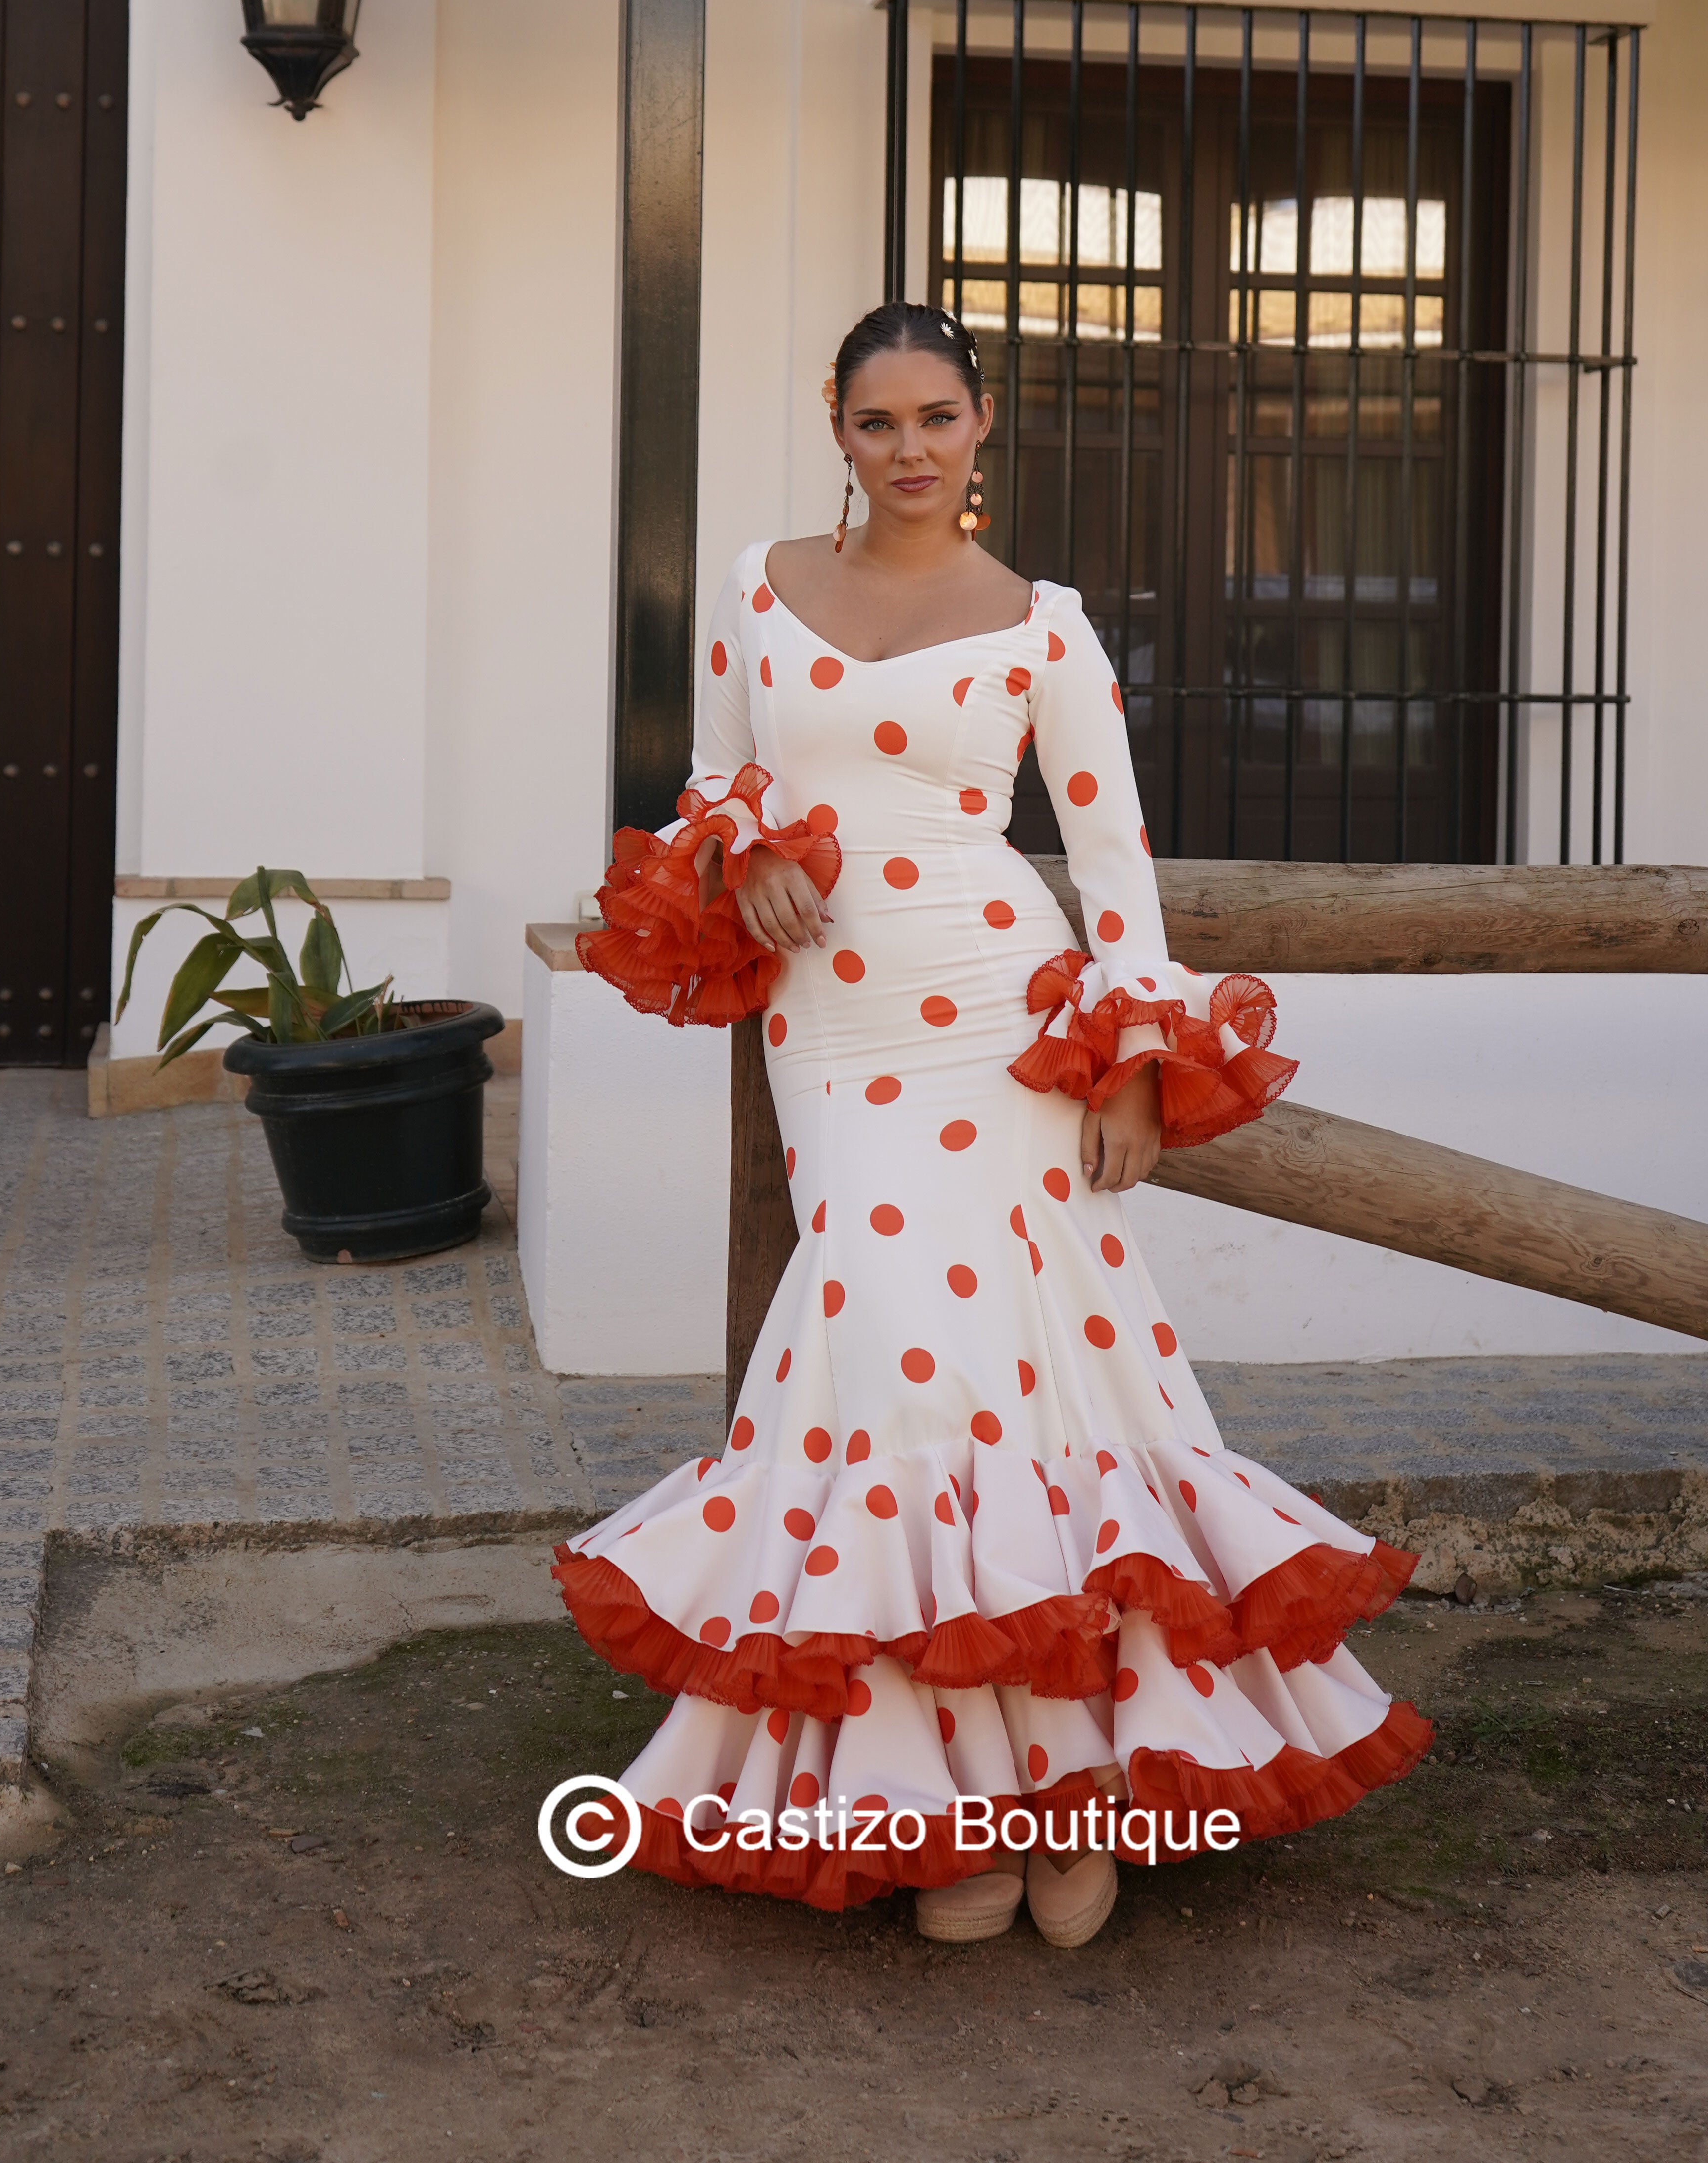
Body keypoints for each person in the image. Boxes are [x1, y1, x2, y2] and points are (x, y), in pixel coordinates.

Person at [564, 300, 1430, 1945]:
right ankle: (939, 1789)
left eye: (938, 419)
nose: (909, 450)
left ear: (983, 425)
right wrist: (742, 843)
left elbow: (1112, 870)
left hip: (1002, 1019)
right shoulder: (758, 587)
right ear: (837, 422)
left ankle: (1067, 1786)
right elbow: (712, 776)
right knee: (890, 1361)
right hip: (835, 1031)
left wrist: (1126, 1060)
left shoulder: (1045, 625)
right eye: (880, 420)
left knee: (1037, 1375)